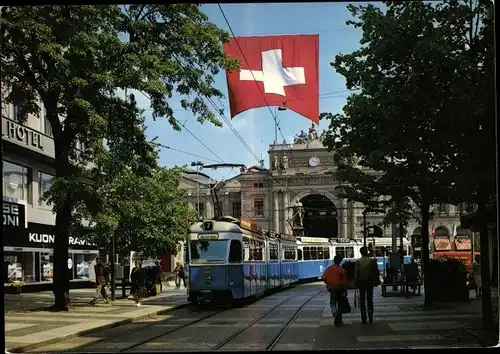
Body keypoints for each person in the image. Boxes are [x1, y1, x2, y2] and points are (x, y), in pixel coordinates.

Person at [321, 255, 348, 327]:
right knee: (340, 303)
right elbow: (345, 281)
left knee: (332, 302)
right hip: (340, 288)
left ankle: (334, 312)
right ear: (340, 261)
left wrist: (328, 284)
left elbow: (323, 277)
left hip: (332, 288)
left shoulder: (328, 269)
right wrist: (345, 290)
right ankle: (339, 319)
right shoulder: (342, 270)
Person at [354, 247, 378, 324]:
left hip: (361, 283)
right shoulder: (371, 261)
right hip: (370, 282)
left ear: (360, 253)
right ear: (367, 252)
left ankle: (363, 318)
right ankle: (370, 317)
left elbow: (356, 274)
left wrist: (355, 282)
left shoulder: (358, 261)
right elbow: (376, 272)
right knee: (370, 300)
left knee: (362, 300)